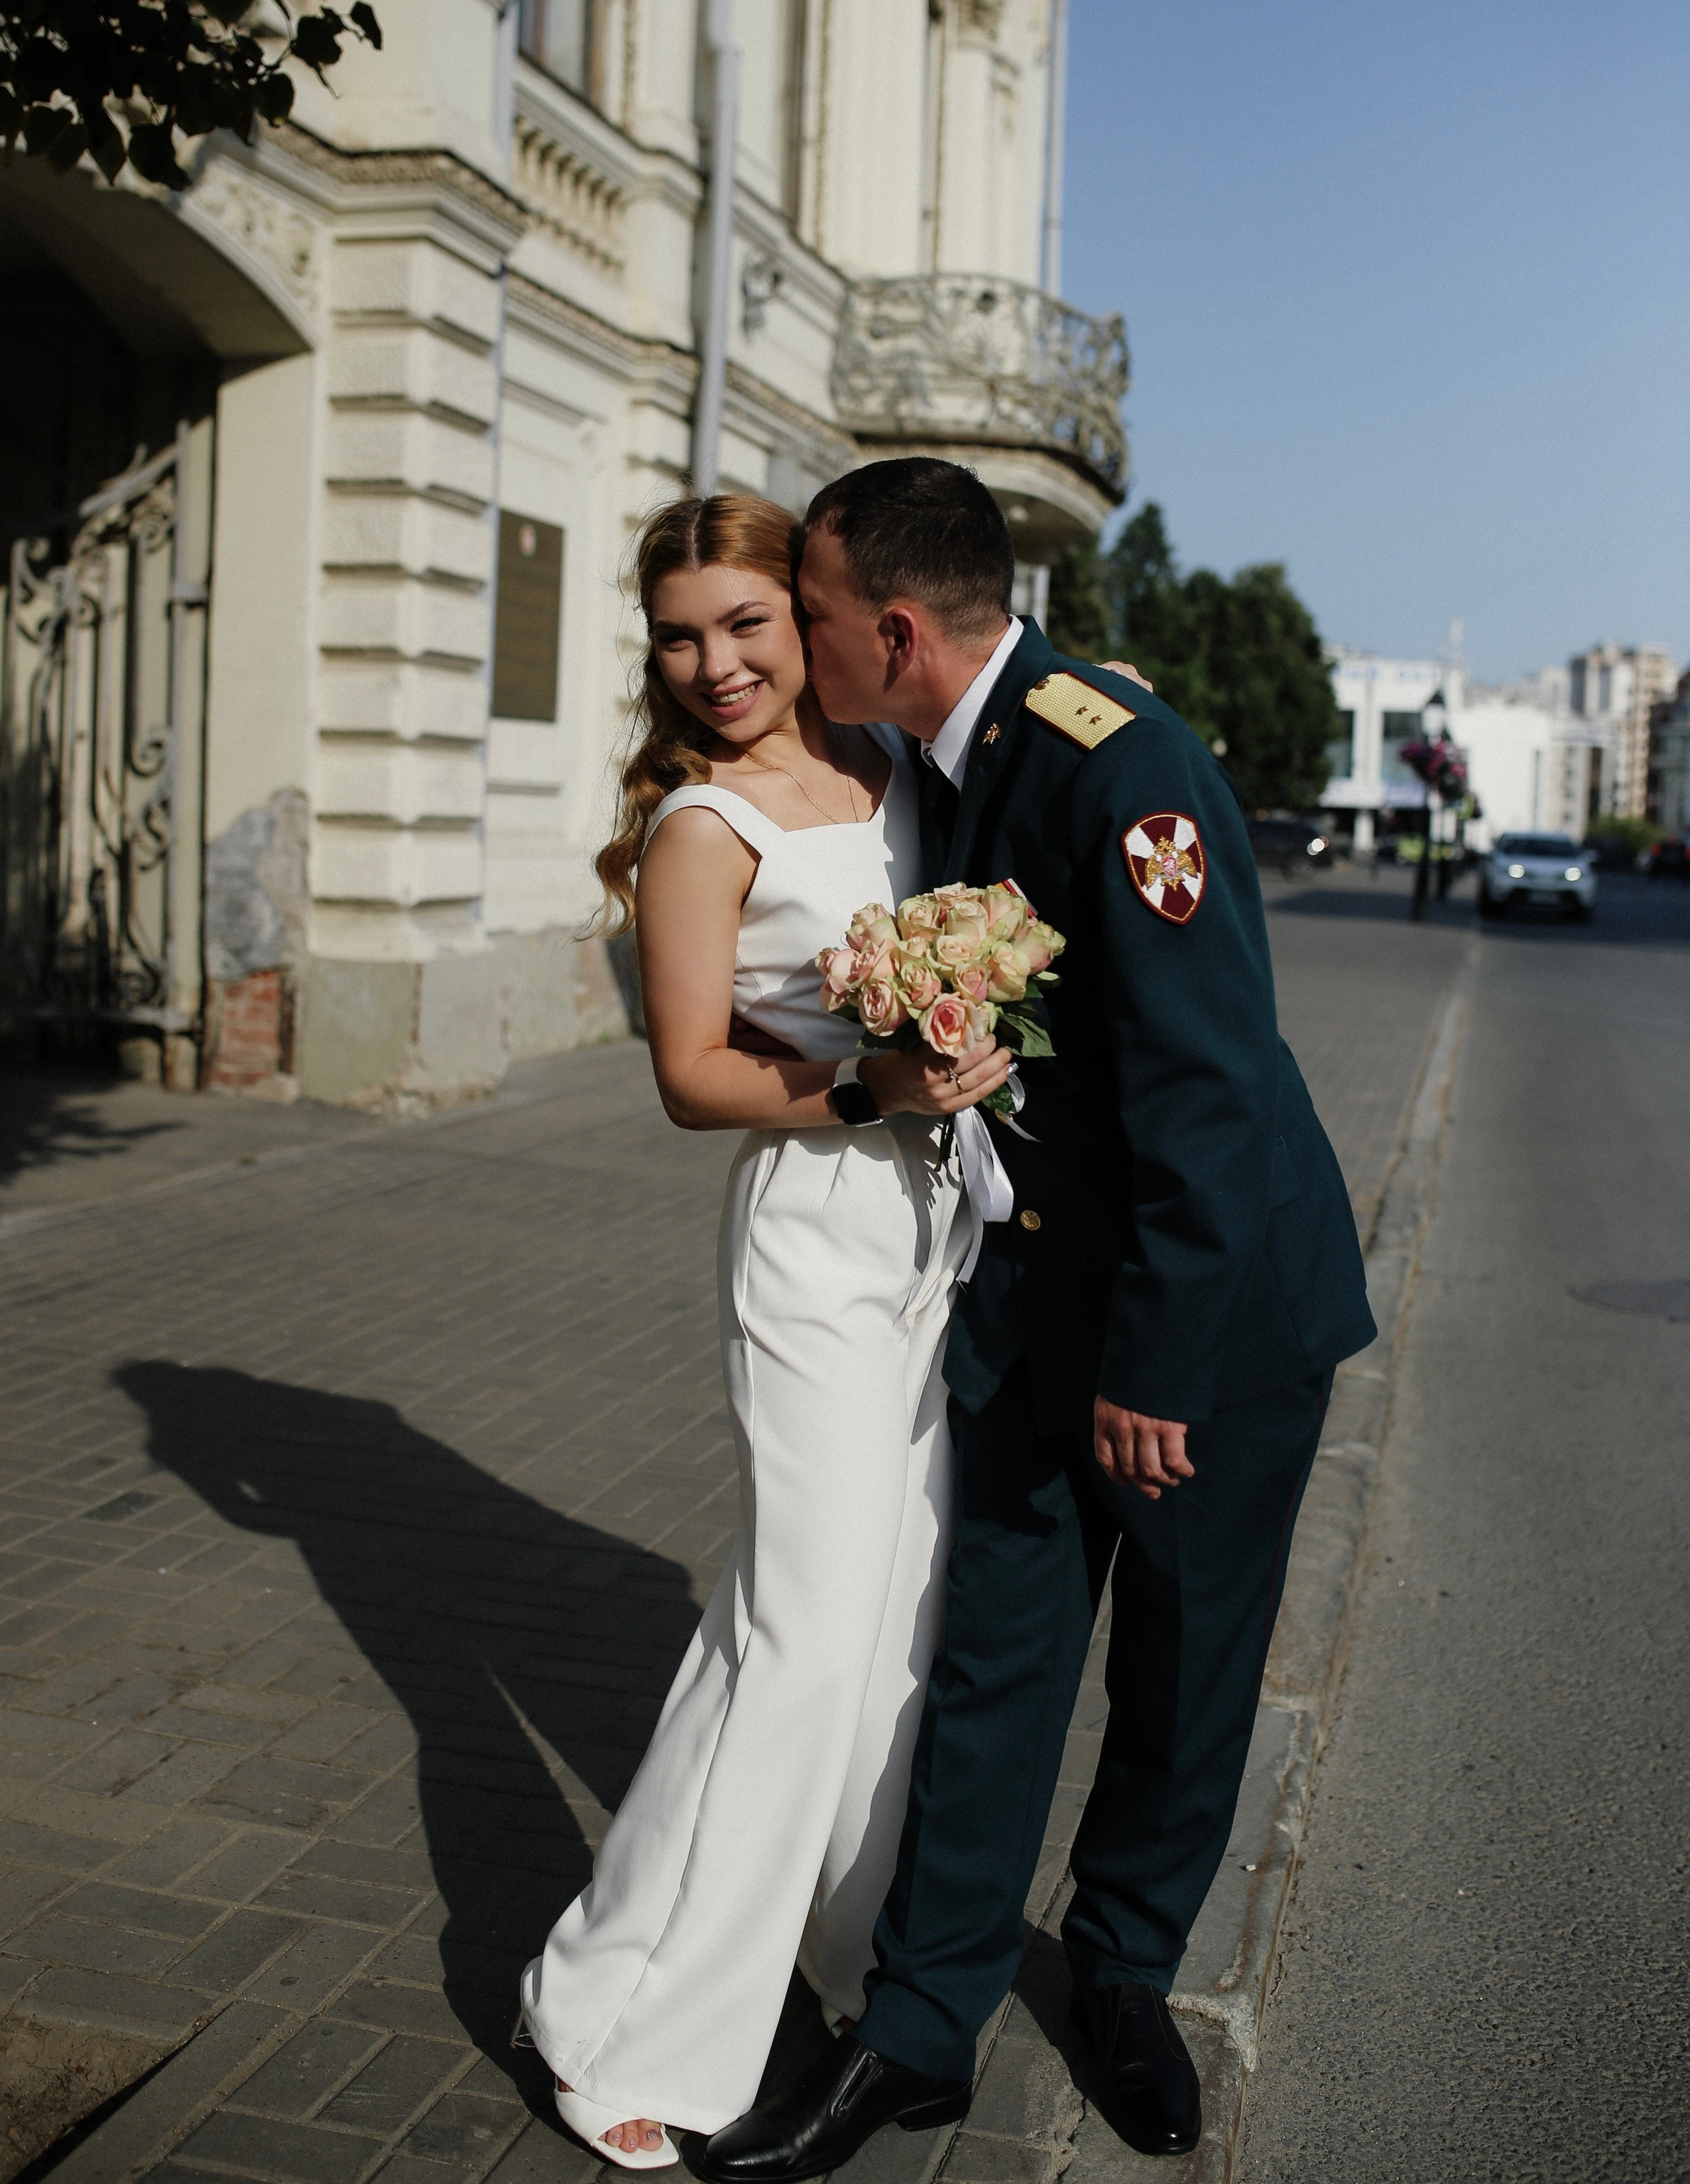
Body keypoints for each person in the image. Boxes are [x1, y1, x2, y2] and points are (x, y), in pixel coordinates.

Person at [696, 459, 1376, 2178]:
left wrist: (1152, 1369)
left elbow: (1208, 1097)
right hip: (1039, 1294)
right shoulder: (949, 752)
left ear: (899, 633)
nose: (797, 646)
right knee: (999, 1658)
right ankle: (919, 2034)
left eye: (819, 620)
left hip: (1210, 1317)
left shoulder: (1114, 766)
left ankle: (1129, 1973)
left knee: (1179, 1668)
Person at [512, 491, 1014, 2167]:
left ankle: (839, 1948)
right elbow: (689, 1079)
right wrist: (877, 1078)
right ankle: (618, 2021)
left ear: (807, 621)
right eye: (679, 634)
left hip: (928, 1225)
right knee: (796, 1642)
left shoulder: (885, 777)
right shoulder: (702, 828)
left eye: (744, 622)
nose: (715, 664)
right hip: (809, 1238)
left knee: (879, 1626)